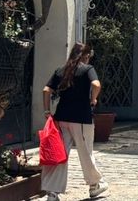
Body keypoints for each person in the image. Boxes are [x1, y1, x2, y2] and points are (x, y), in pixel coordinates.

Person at [41, 42, 105, 200]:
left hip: (61, 118)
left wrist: (47, 111)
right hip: (81, 118)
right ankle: (94, 185)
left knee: (60, 154)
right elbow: (96, 85)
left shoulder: (61, 70)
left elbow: (46, 90)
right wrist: (92, 99)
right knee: (86, 153)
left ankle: (52, 192)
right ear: (87, 56)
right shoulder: (87, 69)